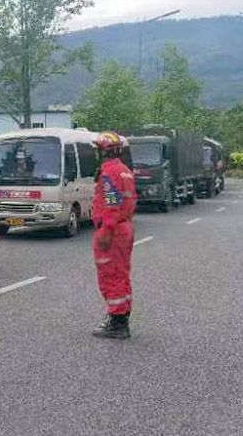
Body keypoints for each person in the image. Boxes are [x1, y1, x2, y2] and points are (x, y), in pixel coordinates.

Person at [91, 132, 137, 339]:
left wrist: (107, 230)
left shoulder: (109, 172)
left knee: (110, 274)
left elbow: (111, 203)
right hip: (125, 227)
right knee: (121, 273)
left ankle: (117, 323)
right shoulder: (125, 171)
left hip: (113, 229)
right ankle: (122, 316)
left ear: (103, 151)